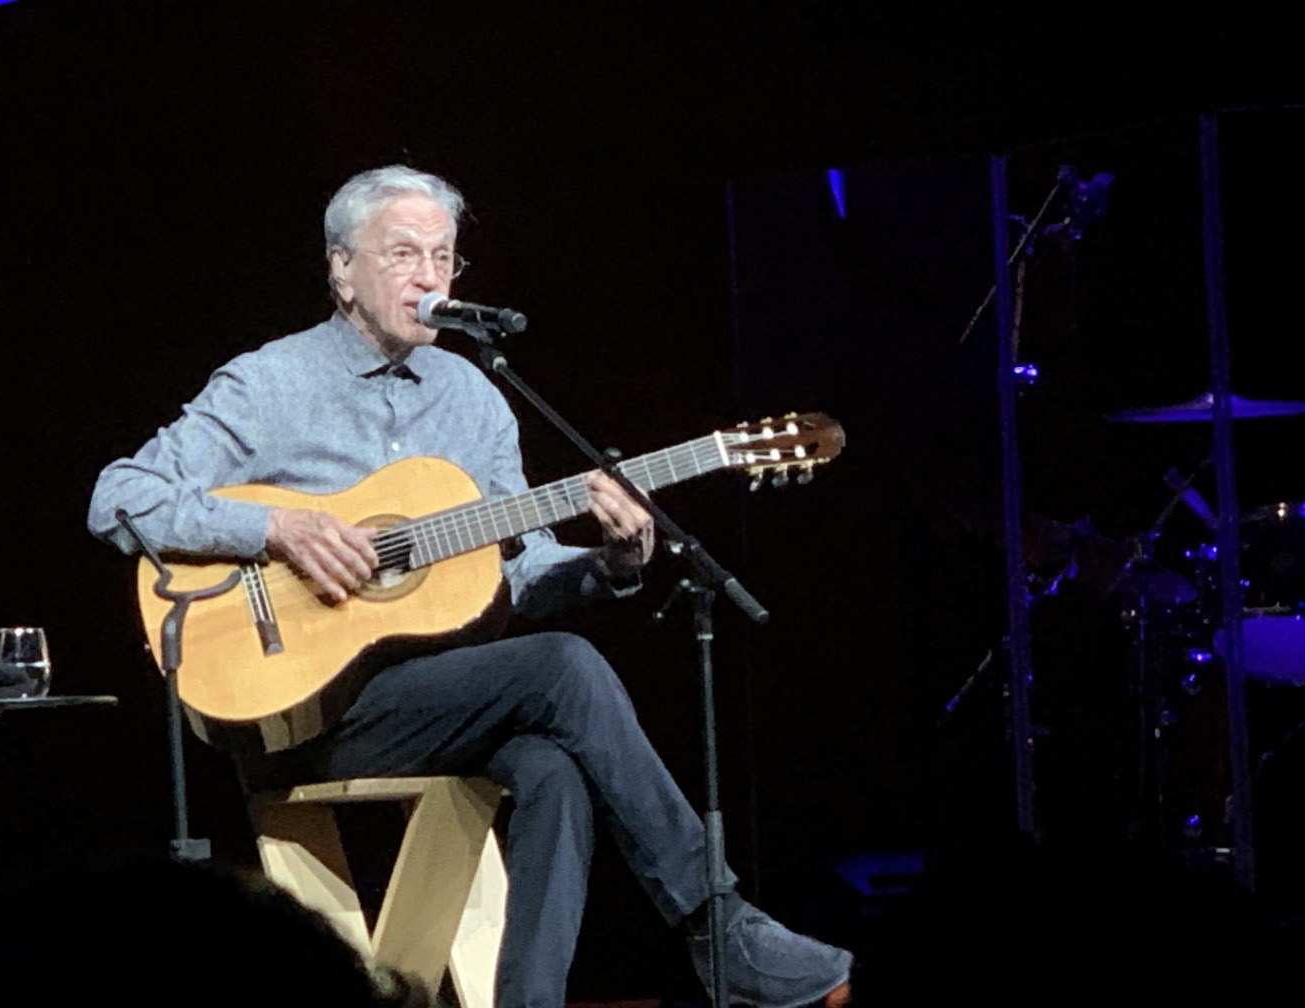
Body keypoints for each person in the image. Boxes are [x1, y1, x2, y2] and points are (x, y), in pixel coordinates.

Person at [87, 165, 852, 1008]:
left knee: (553, 768)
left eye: (444, 258)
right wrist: (279, 528)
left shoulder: (477, 398)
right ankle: (719, 928)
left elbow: (513, 574)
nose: (429, 276)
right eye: (403, 253)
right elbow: (118, 496)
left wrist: (608, 565)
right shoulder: (268, 384)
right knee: (561, 669)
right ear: (342, 271)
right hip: (296, 707)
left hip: (432, 693)